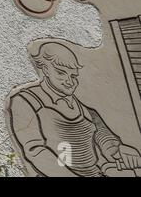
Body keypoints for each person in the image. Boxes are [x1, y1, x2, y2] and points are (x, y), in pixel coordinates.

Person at [8, 42, 141, 176]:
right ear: (46, 69)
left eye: (73, 76)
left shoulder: (86, 110)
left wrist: (121, 151)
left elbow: (105, 138)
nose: (69, 81)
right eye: (61, 72)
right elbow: (35, 151)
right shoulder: (26, 101)